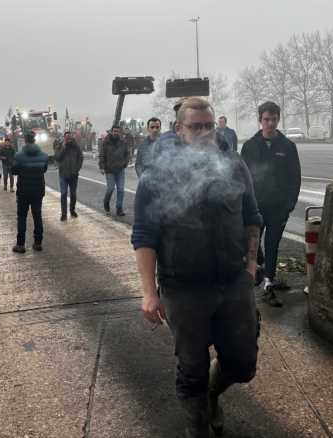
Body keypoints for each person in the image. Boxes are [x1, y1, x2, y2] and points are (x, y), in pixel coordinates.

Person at [132, 97, 262, 438]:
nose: (205, 133)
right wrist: (149, 293)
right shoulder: (156, 175)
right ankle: (197, 426)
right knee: (192, 369)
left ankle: (213, 393)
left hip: (233, 282)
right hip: (183, 287)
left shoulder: (233, 165)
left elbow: (252, 216)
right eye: (196, 127)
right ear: (179, 129)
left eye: (209, 126)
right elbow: (144, 235)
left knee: (242, 363)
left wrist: (250, 265)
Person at [241, 101, 302, 307]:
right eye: (266, 119)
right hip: (255, 206)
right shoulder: (249, 146)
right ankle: (256, 272)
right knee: (253, 244)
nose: (270, 123)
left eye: (274, 119)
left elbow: (295, 177)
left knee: (273, 243)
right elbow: (242, 176)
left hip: (278, 207)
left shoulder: (288, 147)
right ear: (260, 120)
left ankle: (268, 280)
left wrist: (290, 203)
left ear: (278, 119)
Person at [12, 131, 48, 253]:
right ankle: (38, 243)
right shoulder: (43, 156)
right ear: (34, 140)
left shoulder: (18, 156)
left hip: (23, 191)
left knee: (22, 217)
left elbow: (14, 171)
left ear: (25, 141)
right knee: (37, 216)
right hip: (38, 190)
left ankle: (20, 245)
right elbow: (44, 169)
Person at [98, 125, 131, 216]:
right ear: (111, 132)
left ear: (119, 132)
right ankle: (106, 202)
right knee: (110, 188)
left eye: (117, 131)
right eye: (114, 131)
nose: (116, 133)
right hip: (109, 170)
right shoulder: (106, 142)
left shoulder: (122, 142)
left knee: (121, 190)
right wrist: (101, 167)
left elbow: (127, 154)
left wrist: (125, 163)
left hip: (120, 170)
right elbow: (102, 155)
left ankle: (119, 208)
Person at [54, 131, 84, 221]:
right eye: (66, 137)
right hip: (63, 174)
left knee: (73, 194)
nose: (68, 139)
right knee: (63, 194)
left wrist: (77, 168)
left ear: (72, 137)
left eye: (69, 137)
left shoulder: (76, 146)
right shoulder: (60, 146)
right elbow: (57, 157)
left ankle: (72, 210)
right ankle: (64, 214)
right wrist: (64, 147)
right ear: (64, 138)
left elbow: (80, 157)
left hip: (74, 174)